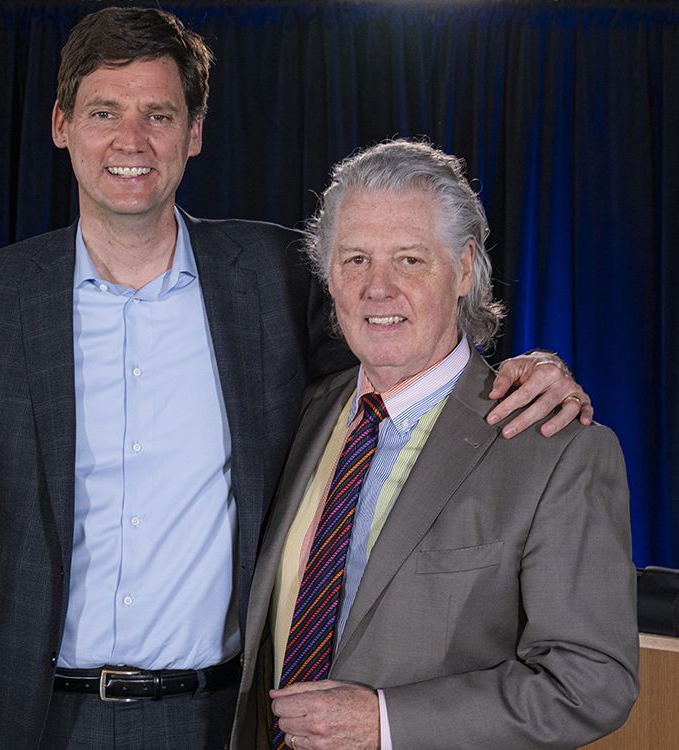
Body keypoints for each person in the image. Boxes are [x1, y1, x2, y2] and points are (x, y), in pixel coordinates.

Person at [0, 8, 595, 750]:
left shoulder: (271, 277)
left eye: (159, 114)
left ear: (193, 133)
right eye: (104, 112)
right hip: (27, 718)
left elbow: (404, 353)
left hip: (216, 719)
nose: (130, 141)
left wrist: (526, 364)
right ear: (62, 123)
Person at [230, 140, 638, 750]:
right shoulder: (300, 413)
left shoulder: (555, 450)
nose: (379, 287)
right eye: (356, 259)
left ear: (466, 268)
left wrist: (386, 723)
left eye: (411, 260)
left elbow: (591, 681)